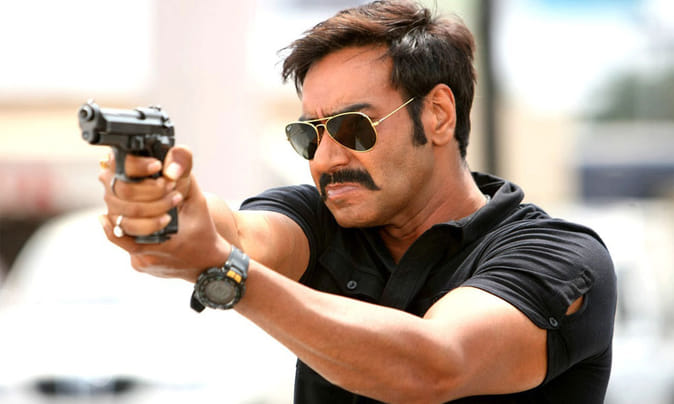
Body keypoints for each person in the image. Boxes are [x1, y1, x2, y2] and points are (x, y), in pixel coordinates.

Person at [96, 1, 617, 403]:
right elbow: (238, 231)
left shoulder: (558, 255)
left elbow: (434, 365)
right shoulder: (322, 220)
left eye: (353, 127)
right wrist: (167, 207)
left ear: (437, 115)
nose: (325, 157)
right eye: (309, 134)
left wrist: (226, 272)